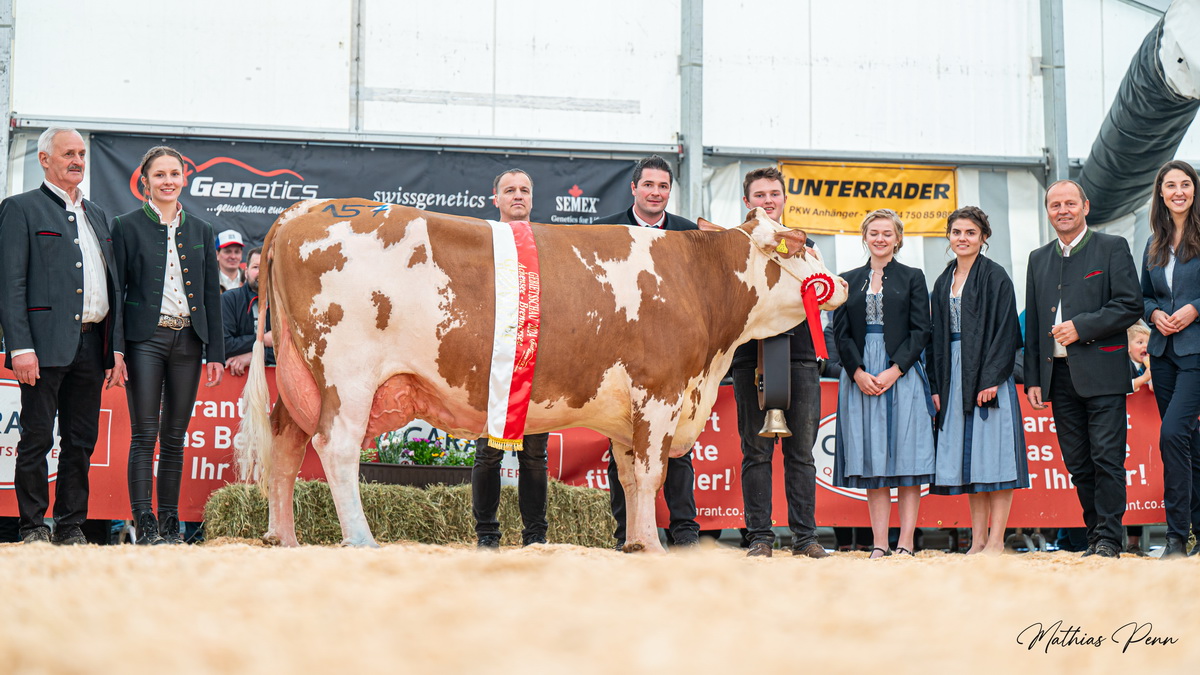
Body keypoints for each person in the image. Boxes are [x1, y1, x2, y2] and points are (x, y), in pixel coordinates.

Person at [0, 127, 126, 545]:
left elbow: (112, 286)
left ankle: (70, 526)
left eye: (81, 154)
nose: (77, 161)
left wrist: (115, 350)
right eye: (68, 153)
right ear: (44, 159)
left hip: (92, 346)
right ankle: (33, 525)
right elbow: (11, 285)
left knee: (81, 442)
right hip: (42, 346)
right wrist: (20, 346)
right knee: (37, 438)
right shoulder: (20, 209)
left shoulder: (97, 214)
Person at [112, 145, 225, 544]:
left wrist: (216, 352)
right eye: (159, 175)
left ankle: (170, 524)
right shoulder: (125, 226)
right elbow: (117, 292)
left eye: (174, 174)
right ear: (145, 181)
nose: (167, 181)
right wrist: (118, 350)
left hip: (189, 341)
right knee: (145, 434)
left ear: (184, 178)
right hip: (145, 341)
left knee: (175, 437)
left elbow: (211, 296)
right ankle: (143, 522)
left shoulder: (202, 230)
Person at [1024, 179, 1142, 559]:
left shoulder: (1112, 247)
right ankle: (1095, 535)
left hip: (1103, 373)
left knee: (1106, 458)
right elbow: (1034, 325)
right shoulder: (1038, 258)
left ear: (1085, 206)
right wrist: (1033, 379)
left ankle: (1109, 537)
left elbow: (1129, 305)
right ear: (1048, 211)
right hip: (1057, 377)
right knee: (1077, 463)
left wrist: (1082, 326)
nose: (1063, 210)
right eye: (1055, 204)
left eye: (1070, 203)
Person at [595, 155, 700, 549]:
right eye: (649, 185)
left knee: (676, 448)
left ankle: (685, 535)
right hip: (617, 361)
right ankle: (628, 535)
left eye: (663, 187)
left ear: (669, 192)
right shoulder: (603, 232)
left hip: (672, 362)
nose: (656, 193)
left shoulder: (690, 236)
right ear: (634, 189)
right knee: (620, 446)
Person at [731, 167, 828, 558]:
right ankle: (759, 537)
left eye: (774, 194)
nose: (767, 201)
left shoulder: (806, 243)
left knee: (801, 453)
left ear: (784, 199)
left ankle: (805, 538)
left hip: (800, 354)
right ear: (747, 202)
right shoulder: (734, 245)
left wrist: (803, 254)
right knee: (755, 451)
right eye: (759, 195)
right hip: (749, 356)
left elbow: (822, 294)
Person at [832, 208, 934, 558]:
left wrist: (895, 370)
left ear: (898, 238)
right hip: (861, 376)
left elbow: (922, 330)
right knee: (873, 460)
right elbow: (841, 334)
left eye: (887, 233)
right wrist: (857, 372)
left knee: (906, 459)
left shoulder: (912, 277)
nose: (880, 238)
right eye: (874, 232)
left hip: (901, 375)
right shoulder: (847, 279)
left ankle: (905, 542)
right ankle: (878, 543)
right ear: (864, 237)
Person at [928, 206, 1029, 555]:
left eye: (970, 233)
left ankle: (998, 540)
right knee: (969, 460)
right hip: (953, 375)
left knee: (995, 459)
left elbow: (1006, 332)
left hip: (988, 375)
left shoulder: (996, 276)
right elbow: (936, 336)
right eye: (957, 232)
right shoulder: (943, 281)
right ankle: (978, 540)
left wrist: (991, 377)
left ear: (983, 237)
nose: (963, 238)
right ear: (949, 237)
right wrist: (937, 387)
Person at [472, 168, 550, 548]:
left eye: (524, 190)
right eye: (509, 190)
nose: (517, 196)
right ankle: (487, 535)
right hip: (494, 360)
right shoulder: (483, 242)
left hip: (537, 358)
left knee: (535, 455)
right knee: (487, 451)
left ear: (532, 199)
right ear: (496, 199)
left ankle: (535, 537)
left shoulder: (548, 244)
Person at [1140, 159, 1200, 559]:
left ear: (1195, 190)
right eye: (1170, 185)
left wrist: (1195, 307)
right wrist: (1153, 313)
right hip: (1162, 354)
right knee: (1189, 443)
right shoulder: (1153, 243)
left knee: (1172, 435)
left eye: (1185, 184)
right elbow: (1143, 295)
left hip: (1196, 351)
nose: (1178, 191)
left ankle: (1177, 536)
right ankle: (1194, 531)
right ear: (1161, 193)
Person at [223, 247, 275, 376]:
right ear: (246, 272)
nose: (262, 272)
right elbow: (224, 345)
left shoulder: (285, 304)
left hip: (275, 380)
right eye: (256, 267)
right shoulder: (228, 300)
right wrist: (263, 339)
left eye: (267, 266)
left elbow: (293, 352)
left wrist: (253, 356)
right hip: (234, 379)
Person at [1128, 322, 1152, 393]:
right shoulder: (1125, 365)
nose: (1145, 346)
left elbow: (1152, 388)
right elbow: (1124, 387)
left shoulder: (1148, 365)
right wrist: (1144, 378)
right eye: (1140, 342)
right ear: (1128, 347)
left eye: (1148, 343)